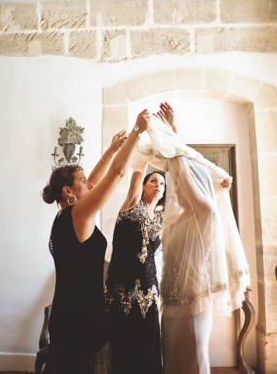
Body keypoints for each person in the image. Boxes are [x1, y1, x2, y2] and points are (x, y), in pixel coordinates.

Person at [136, 102, 250, 374]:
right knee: (173, 366)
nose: (173, 190)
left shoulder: (207, 214)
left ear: (197, 186)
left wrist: (170, 137)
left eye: (177, 185)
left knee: (194, 366)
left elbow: (184, 172)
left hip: (193, 308)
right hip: (171, 306)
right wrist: (172, 134)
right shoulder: (179, 219)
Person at [41, 109, 151, 374]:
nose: (89, 184)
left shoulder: (64, 216)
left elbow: (95, 179)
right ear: (68, 191)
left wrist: (111, 150)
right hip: (79, 322)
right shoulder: (77, 214)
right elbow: (116, 173)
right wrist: (136, 131)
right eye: (82, 181)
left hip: (69, 316)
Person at [104, 164, 166, 374]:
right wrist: (145, 133)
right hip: (122, 289)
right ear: (144, 186)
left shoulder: (160, 219)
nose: (158, 185)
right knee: (124, 347)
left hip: (150, 291)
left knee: (148, 347)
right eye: (153, 181)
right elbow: (138, 171)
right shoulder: (131, 206)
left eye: (162, 183)